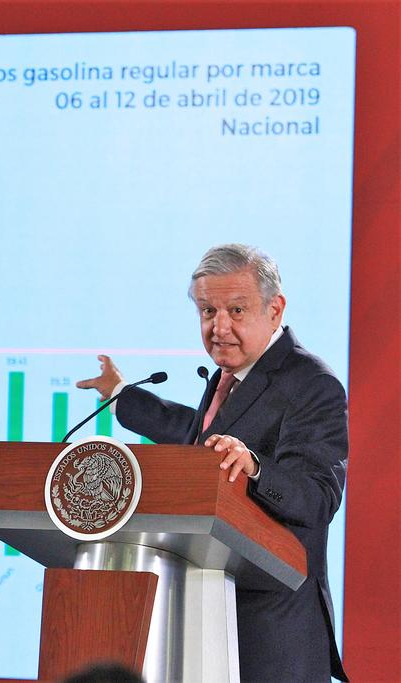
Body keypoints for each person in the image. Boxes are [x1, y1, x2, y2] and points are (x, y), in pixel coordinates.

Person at [76, 244, 348, 682]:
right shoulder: (232, 375)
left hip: (272, 635)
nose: (218, 328)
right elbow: (201, 438)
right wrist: (123, 396)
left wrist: (255, 467)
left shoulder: (312, 383)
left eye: (236, 310)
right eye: (207, 312)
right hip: (209, 619)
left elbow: (317, 496)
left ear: (275, 309)